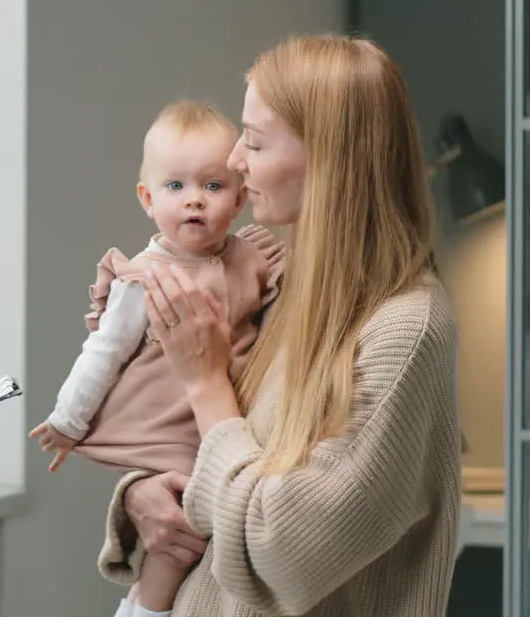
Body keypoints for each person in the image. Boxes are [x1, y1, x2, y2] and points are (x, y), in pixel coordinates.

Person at [96, 35, 461, 616]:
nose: (235, 160)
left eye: (257, 142)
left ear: (330, 158)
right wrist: (143, 493)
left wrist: (205, 381)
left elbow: (281, 551)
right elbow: (227, 451)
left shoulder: (405, 331)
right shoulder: (287, 290)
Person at [27, 101, 282, 616]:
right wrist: (67, 420)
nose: (194, 201)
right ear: (147, 198)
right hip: (169, 423)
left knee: (228, 524)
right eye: (176, 187)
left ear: (238, 199)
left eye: (212, 186)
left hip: (231, 421)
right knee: (177, 538)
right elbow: (103, 352)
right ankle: (145, 607)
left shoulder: (252, 260)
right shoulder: (144, 279)